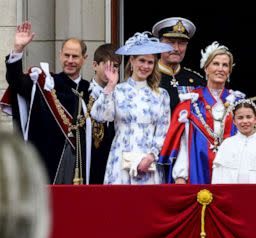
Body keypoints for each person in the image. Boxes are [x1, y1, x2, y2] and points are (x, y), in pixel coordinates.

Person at [4, 21, 91, 184]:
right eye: (66, 55)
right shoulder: (45, 83)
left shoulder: (90, 90)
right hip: (49, 164)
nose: (70, 60)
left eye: (75, 56)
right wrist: (18, 50)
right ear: (60, 55)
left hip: (82, 165)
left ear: (84, 58)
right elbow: (16, 82)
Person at [91, 32, 172, 185]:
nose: (145, 66)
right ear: (132, 61)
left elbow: (164, 129)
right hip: (120, 157)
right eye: (142, 60)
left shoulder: (161, 95)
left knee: (148, 206)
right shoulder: (118, 90)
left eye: (150, 62)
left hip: (149, 160)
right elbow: (100, 115)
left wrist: (151, 156)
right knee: (120, 206)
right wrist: (110, 85)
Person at [159, 42, 245, 184]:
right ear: (206, 68)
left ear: (229, 71)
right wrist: (181, 175)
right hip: (197, 172)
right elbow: (184, 143)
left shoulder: (238, 102)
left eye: (225, 65)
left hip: (232, 174)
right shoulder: (190, 103)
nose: (220, 69)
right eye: (215, 64)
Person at [212, 99, 256, 184]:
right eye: (240, 118)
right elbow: (217, 177)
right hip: (232, 195)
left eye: (249, 117)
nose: (245, 121)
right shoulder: (227, 144)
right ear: (234, 121)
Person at [152, 17, 205, 111]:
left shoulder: (197, 81)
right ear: (159, 44)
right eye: (170, 42)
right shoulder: (148, 77)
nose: (176, 48)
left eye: (181, 43)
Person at [88, 44, 121, 184]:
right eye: (107, 66)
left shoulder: (121, 94)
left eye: (115, 66)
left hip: (113, 159)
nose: (111, 71)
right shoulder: (83, 91)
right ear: (95, 65)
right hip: (90, 160)